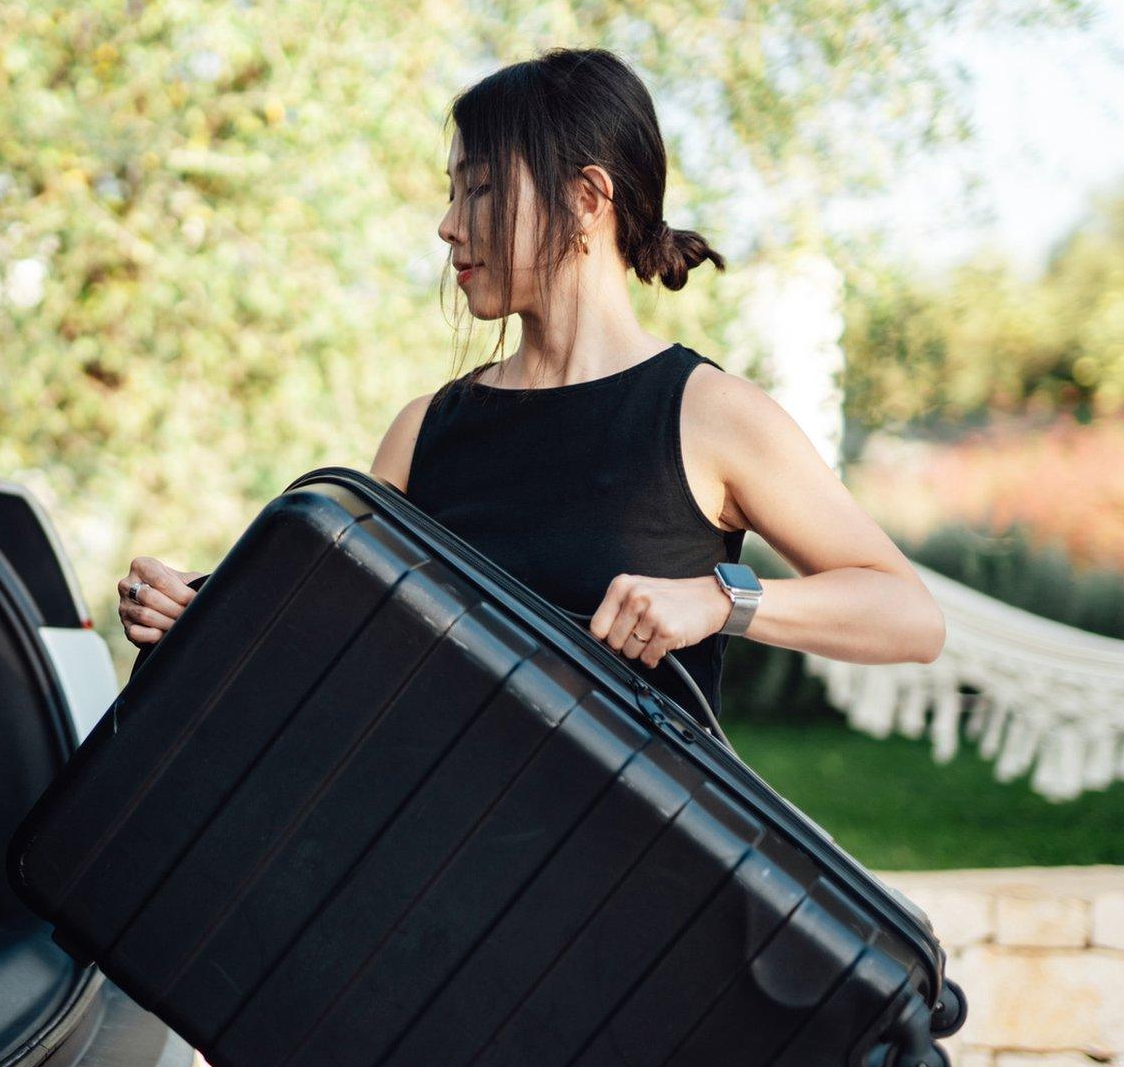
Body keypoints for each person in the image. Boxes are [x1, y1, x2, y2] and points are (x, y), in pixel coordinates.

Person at [117, 46, 944, 720]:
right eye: (451, 193)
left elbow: (910, 615)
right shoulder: (425, 431)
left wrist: (720, 599)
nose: (447, 225)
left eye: (479, 188)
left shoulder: (708, 416)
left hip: (623, 888)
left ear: (586, 199)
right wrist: (204, 619)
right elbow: (338, 644)